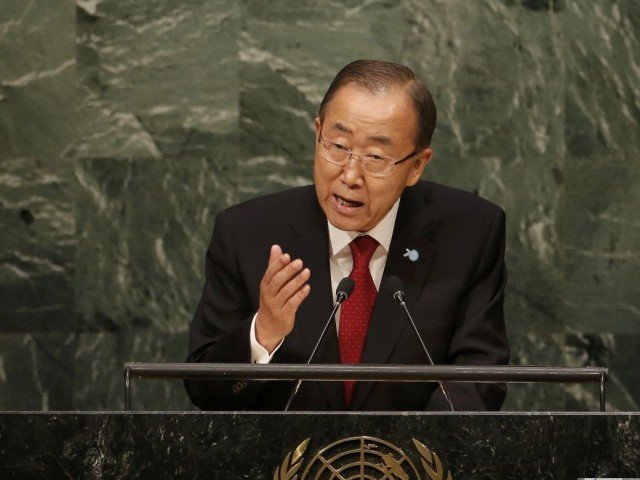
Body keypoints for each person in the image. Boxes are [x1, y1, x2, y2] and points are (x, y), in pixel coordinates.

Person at [185, 60, 509, 411]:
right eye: (338, 146)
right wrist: (263, 333)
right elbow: (204, 390)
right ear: (318, 132)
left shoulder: (469, 233)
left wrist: (403, 458)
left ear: (417, 165)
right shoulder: (247, 233)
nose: (351, 174)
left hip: (410, 462)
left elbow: (479, 379)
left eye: (375, 156)